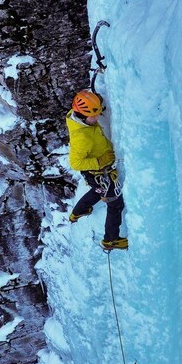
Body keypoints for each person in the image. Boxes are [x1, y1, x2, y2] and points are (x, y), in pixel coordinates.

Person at [66, 90, 128, 251]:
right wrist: (99, 162)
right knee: (115, 204)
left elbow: (90, 105)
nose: (96, 118)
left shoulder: (77, 116)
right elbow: (76, 163)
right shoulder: (82, 137)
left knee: (97, 191)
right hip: (98, 172)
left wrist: (96, 103)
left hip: (96, 173)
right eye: (94, 116)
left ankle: (78, 212)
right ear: (81, 115)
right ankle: (111, 240)